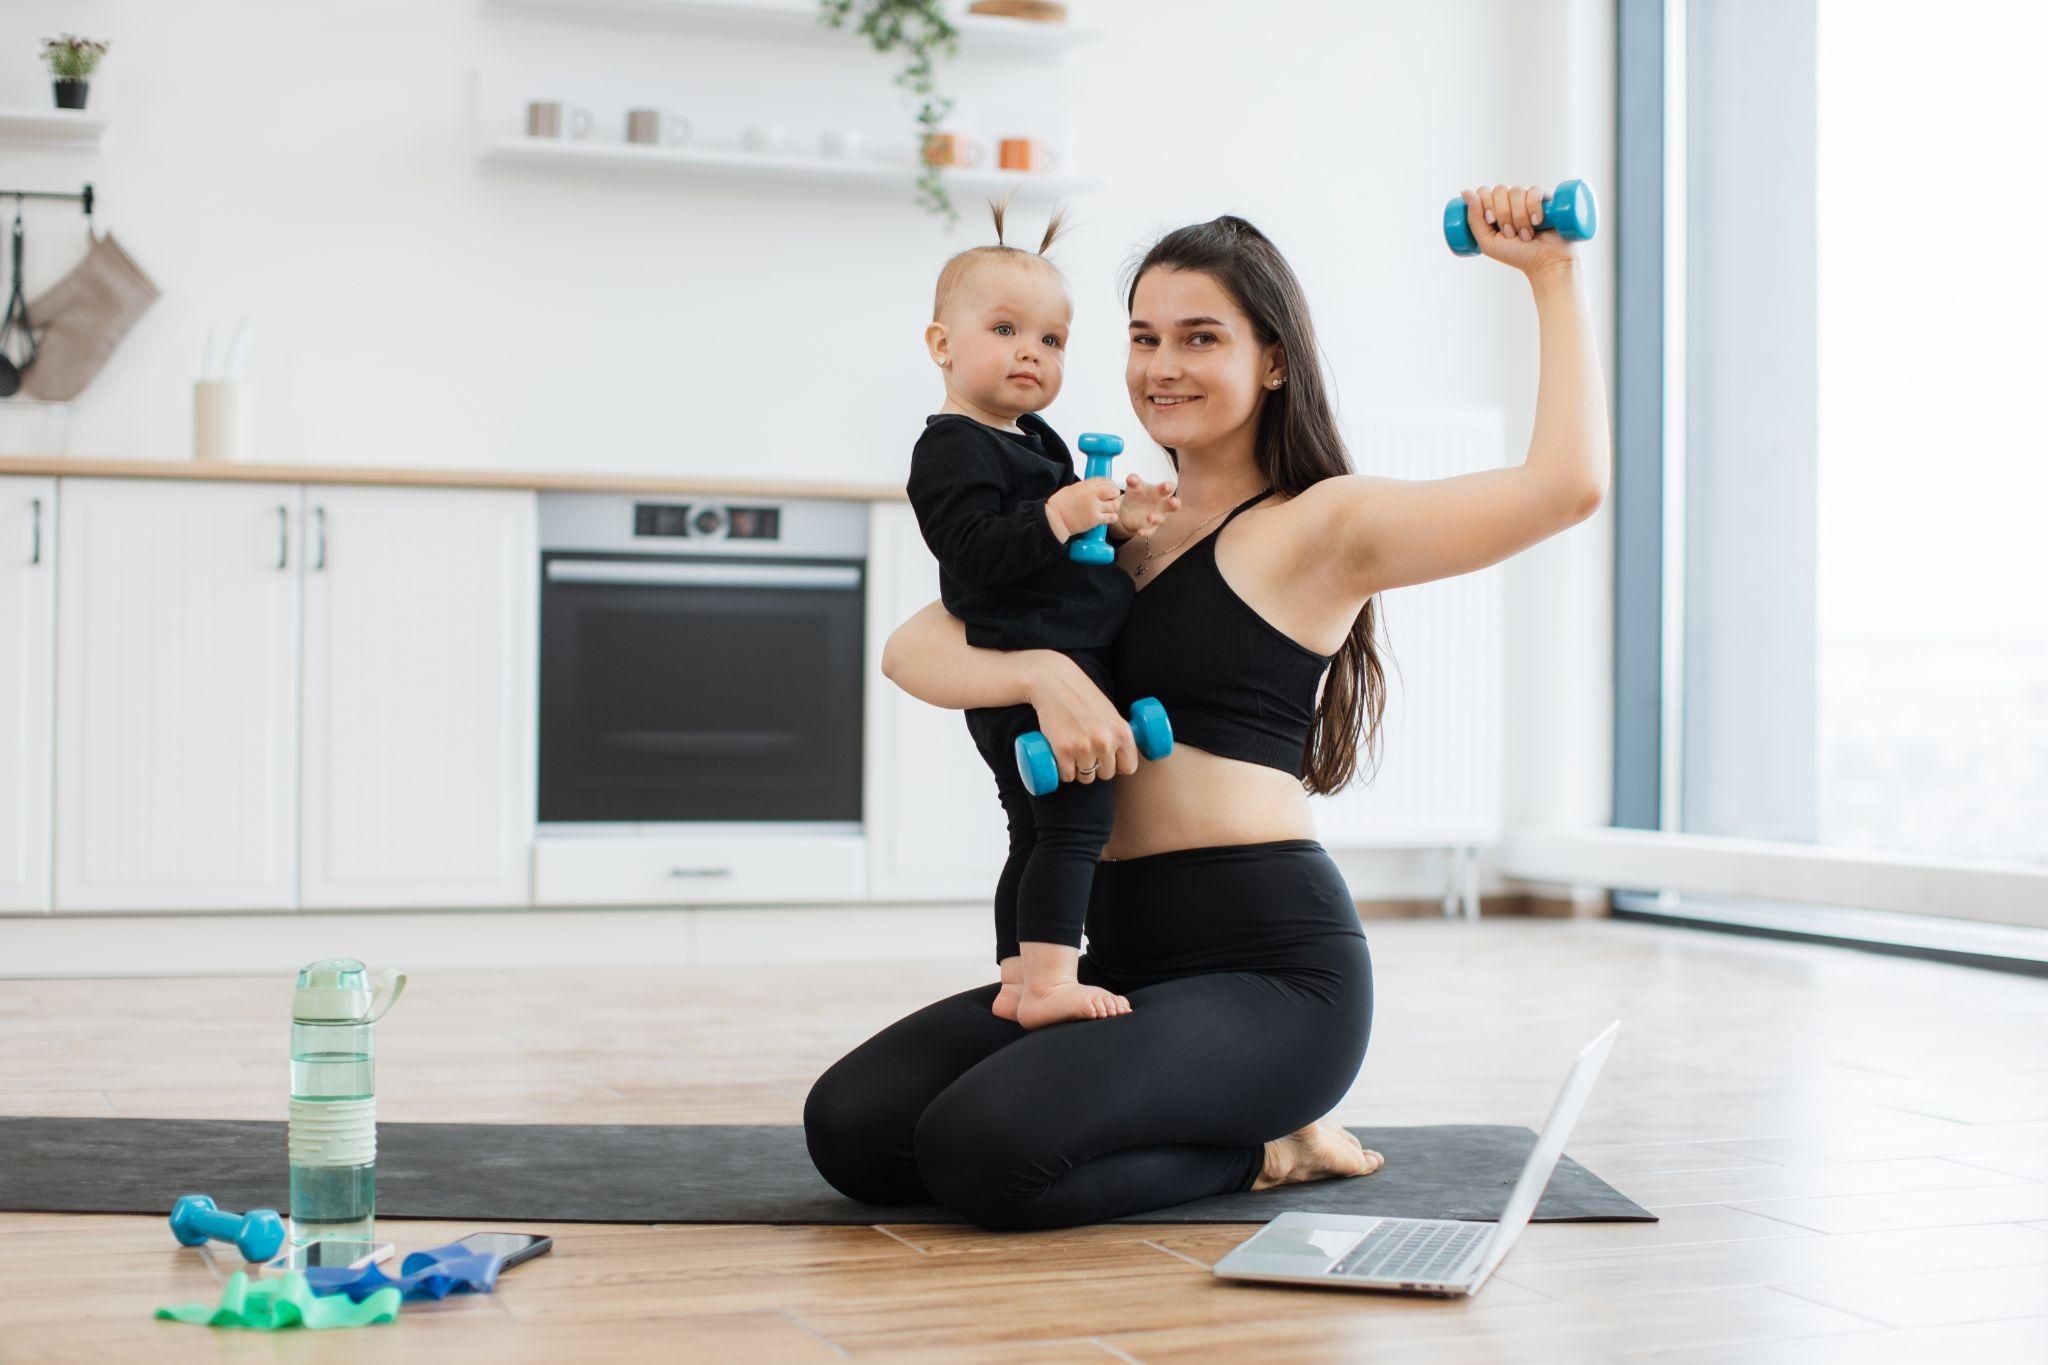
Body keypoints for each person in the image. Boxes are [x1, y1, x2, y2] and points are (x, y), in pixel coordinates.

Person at [806, 187, 1610, 1230]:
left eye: (1199, 338)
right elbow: (913, 648)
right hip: (1127, 962)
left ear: (1270, 359)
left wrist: (1549, 276)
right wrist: (1041, 676)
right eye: (1143, 338)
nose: (1162, 367)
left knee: (980, 1153)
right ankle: (1208, 1116)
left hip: (1273, 975)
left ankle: (1269, 1143)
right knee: (853, 1128)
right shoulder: (1116, 530)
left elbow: (1563, 488)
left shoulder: (1322, 526)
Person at [907, 199, 1180, 1031]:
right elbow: (976, 556)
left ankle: (1021, 979)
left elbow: (1070, 549)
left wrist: (1118, 522)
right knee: (1075, 827)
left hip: (1057, 659)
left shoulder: (1037, 440)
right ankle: (1055, 983)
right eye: (1004, 329)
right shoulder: (952, 446)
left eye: (1052, 340)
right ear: (942, 345)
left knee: (1033, 831)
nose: (1031, 350)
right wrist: (1059, 515)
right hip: (1024, 673)